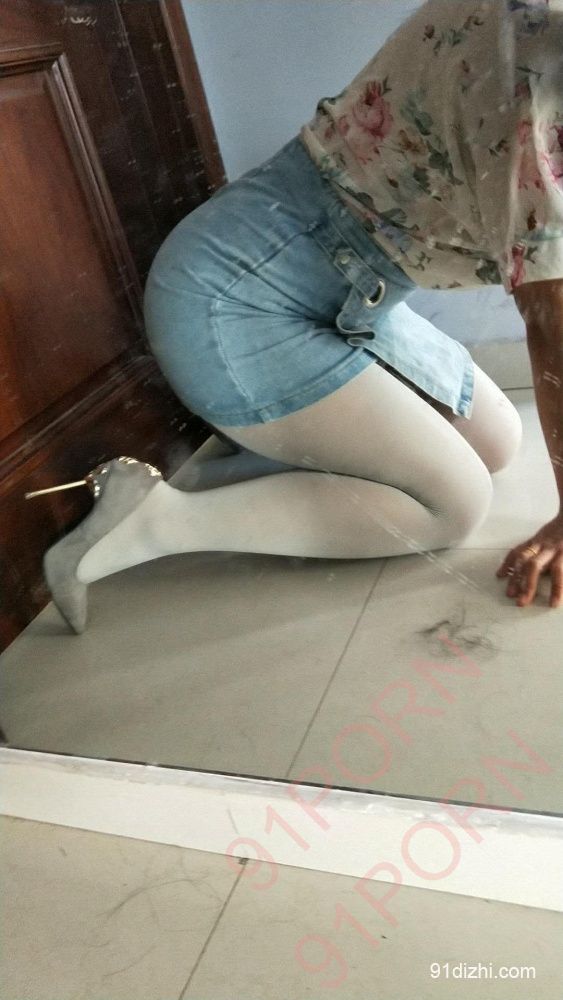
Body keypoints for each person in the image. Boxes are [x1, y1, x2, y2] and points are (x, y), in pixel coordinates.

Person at [36, 0, 563, 633]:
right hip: (231, 303)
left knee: (497, 441)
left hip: (350, 295)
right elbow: (554, 326)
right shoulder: (539, 79)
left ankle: (242, 462)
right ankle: (153, 521)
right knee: (453, 506)